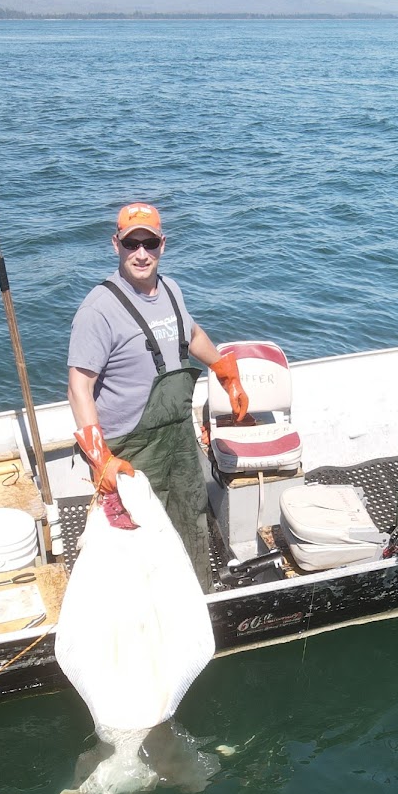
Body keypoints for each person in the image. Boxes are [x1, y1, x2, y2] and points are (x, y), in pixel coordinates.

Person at [67, 202, 247, 591]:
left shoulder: (171, 289)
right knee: (137, 533)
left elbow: (192, 334)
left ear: (162, 244)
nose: (141, 254)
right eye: (131, 244)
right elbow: (79, 385)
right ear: (115, 244)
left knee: (191, 514)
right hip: (128, 448)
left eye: (149, 243)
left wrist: (225, 371)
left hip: (177, 435)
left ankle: (196, 593)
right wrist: (100, 457)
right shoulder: (97, 310)